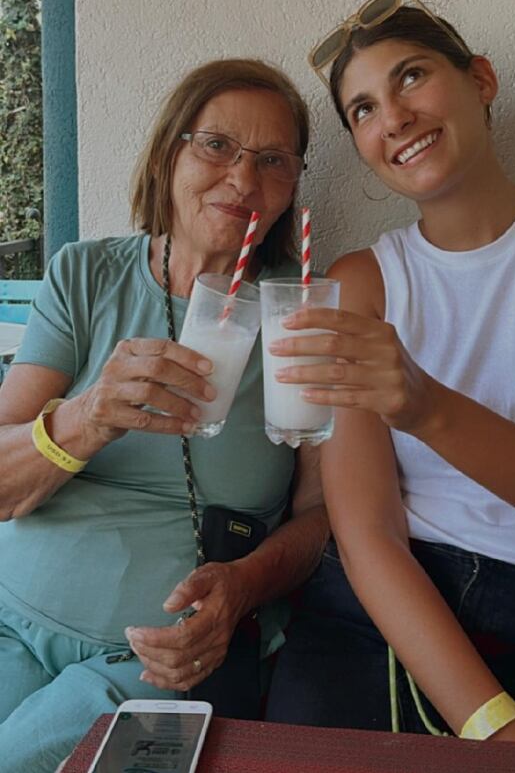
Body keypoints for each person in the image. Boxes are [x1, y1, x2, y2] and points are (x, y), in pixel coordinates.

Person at [265, 0, 515, 747]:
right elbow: (368, 532)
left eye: (411, 75)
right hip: (390, 611)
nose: (394, 117)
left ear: (481, 79)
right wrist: (496, 727)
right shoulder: (360, 283)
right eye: (363, 109)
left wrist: (426, 407)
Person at [0, 58, 330, 772]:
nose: (243, 180)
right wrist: (87, 418)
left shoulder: (300, 314)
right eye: (217, 145)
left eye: (272, 160)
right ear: (168, 151)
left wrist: (244, 587)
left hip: (155, 662)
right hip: (10, 620)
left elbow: (322, 515)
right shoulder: (84, 275)